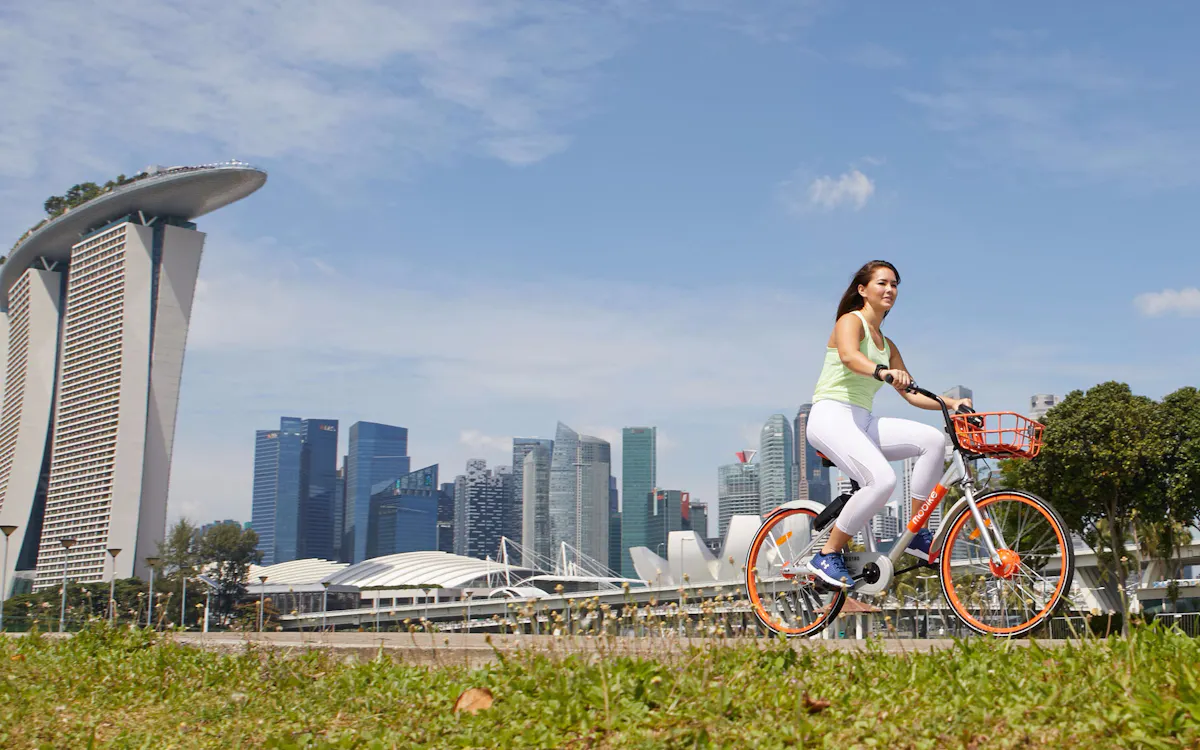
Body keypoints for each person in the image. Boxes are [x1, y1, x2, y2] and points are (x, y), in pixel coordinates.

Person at [804, 260, 971, 588]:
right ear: (863, 290)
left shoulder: (888, 344)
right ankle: (827, 553)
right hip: (830, 416)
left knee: (932, 441)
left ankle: (915, 532)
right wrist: (881, 371)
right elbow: (850, 357)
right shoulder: (849, 321)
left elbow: (910, 393)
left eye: (894, 284)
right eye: (882, 283)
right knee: (881, 481)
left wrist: (951, 404)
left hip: (861, 421)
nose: (890, 289)